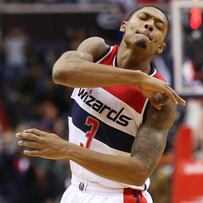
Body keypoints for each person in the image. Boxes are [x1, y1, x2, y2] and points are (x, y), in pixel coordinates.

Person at [16, 5, 186, 203]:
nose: (149, 25)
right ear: (124, 25)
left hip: (119, 196)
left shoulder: (159, 97)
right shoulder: (96, 50)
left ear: (160, 47)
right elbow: (61, 72)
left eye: (158, 26)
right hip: (74, 190)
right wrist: (136, 79)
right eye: (144, 18)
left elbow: (138, 172)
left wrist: (67, 149)